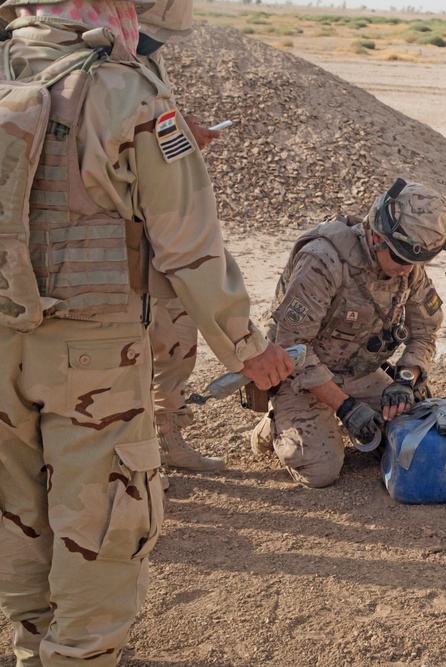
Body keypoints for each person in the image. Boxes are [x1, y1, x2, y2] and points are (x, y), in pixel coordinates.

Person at [0, 0, 295, 663]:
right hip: (92, 356)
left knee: (20, 515)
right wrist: (249, 348)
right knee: (100, 525)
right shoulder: (125, 88)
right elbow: (189, 246)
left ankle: (32, 646)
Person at [251, 178, 446, 489]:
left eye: (420, 261)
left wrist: (405, 380)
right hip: (301, 376)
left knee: (416, 438)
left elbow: (426, 330)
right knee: (322, 471)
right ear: (377, 235)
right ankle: (274, 424)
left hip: (358, 371)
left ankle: (326, 414)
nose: (408, 269)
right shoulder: (324, 259)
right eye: (402, 259)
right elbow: (292, 347)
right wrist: (346, 407)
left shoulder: (408, 265)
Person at [137, 0, 228, 473]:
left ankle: (166, 441)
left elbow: (153, 131)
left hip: (157, 230)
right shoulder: (86, 68)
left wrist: (181, 132)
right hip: (111, 243)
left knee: (173, 333)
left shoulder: (141, 60)